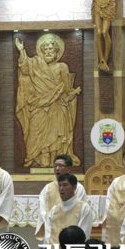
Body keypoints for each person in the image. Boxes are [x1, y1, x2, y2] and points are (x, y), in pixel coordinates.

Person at [15, 34, 81, 167]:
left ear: (56, 52)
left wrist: (71, 94)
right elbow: (24, 68)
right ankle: (38, 156)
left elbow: (67, 87)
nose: (48, 52)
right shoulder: (36, 64)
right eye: (45, 50)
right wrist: (22, 50)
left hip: (56, 105)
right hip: (38, 105)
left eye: (51, 49)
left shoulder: (62, 66)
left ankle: (53, 160)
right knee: (35, 131)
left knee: (56, 134)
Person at [35, 154, 86, 240]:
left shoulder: (77, 187)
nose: (57, 169)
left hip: (72, 231)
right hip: (52, 229)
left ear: (69, 168)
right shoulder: (47, 188)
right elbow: (43, 211)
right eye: (55, 166)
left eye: (61, 166)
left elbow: (80, 209)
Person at [43, 173, 94, 246]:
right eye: (60, 185)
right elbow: (47, 236)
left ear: (74, 188)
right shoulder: (54, 209)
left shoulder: (83, 208)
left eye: (65, 185)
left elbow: (83, 235)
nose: (61, 188)